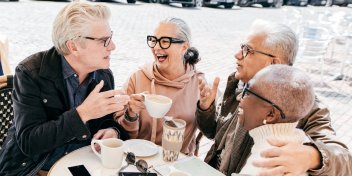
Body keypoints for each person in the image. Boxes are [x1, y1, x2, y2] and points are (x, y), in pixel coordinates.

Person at [197, 19, 352, 176]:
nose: (237, 55)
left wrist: (312, 156)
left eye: (247, 50)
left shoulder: (303, 103)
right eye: (241, 47)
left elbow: (345, 160)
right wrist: (206, 108)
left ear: (273, 62)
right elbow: (214, 133)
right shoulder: (241, 83)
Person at [0, 2, 129, 175]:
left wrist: (113, 131)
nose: (113, 46)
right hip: (36, 168)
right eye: (104, 41)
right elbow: (29, 142)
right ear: (73, 46)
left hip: (84, 164)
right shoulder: (31, 73)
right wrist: (82, 113)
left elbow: (105, 122)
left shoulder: (104, 75)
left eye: (110, 37)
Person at [117, 17, 203, 154]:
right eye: (154, 40)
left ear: (184, 47)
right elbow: (121, 135)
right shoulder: (137, 78)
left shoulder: (199, 84)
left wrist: (207, 109)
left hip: (178, 165)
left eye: (164, 41)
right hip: (139, 161)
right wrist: (131, 114)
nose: (156, 47)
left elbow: (211, 131)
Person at [237, 65, 314, 176]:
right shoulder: (301, 140)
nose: (239, 97)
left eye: (247, 92)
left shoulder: (262, 164)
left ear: (270, 114)